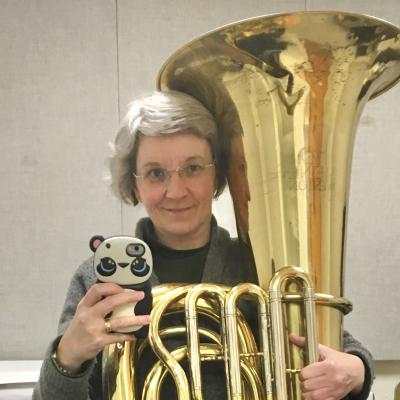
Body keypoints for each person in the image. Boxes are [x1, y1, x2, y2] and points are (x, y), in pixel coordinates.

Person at [33, 90, 373, 400]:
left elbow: (339, 348)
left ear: (217, 176)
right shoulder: (97, 278)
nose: (176, 191)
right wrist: (68, 357)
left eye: (193, 168)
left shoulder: (257, 263)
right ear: (133, 184)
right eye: (155, 173)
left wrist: (355, 372)